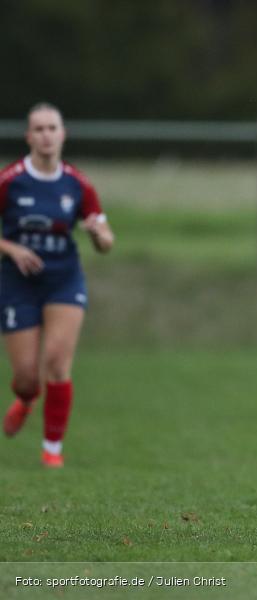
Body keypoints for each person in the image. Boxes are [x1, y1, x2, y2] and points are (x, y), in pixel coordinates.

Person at [0, 102, 114, 467]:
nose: (47, 135)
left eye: (53, 128)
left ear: (63, 134)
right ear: (29, 136)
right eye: (39, 129)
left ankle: (52, 451)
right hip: (18, 283)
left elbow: (107, 242)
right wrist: (11, 248)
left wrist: (98, 234)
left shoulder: (78, 184)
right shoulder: (11, 180)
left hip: (64, 279)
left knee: (58, 363)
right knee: (27, 378)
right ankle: (26, 399)